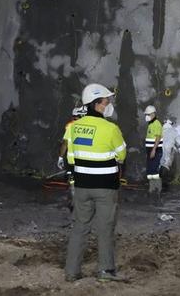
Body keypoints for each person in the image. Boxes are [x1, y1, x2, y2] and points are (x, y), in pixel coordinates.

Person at [65, 83, 127, 282]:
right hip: (105, 188)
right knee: (105, 228)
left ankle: (71, 272)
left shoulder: (74, 128)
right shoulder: (110, 128)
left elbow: (72, 157)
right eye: (106, 101)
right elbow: (122, 154)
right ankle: (105, 271)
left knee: (79, 228)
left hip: (82, 186)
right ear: (97, 104)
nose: (109, 104)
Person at [143, 105, 164, 198]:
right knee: (150, 170)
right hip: (150, 151)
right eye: (146, 114)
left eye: (148, 114)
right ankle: (151, 189)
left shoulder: (157, 124)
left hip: (155, 151)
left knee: (154, 170)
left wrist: (153, 150)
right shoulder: (151, 124)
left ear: (153, 114)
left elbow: (158, 137)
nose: (146, 116)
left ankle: (158, 189)